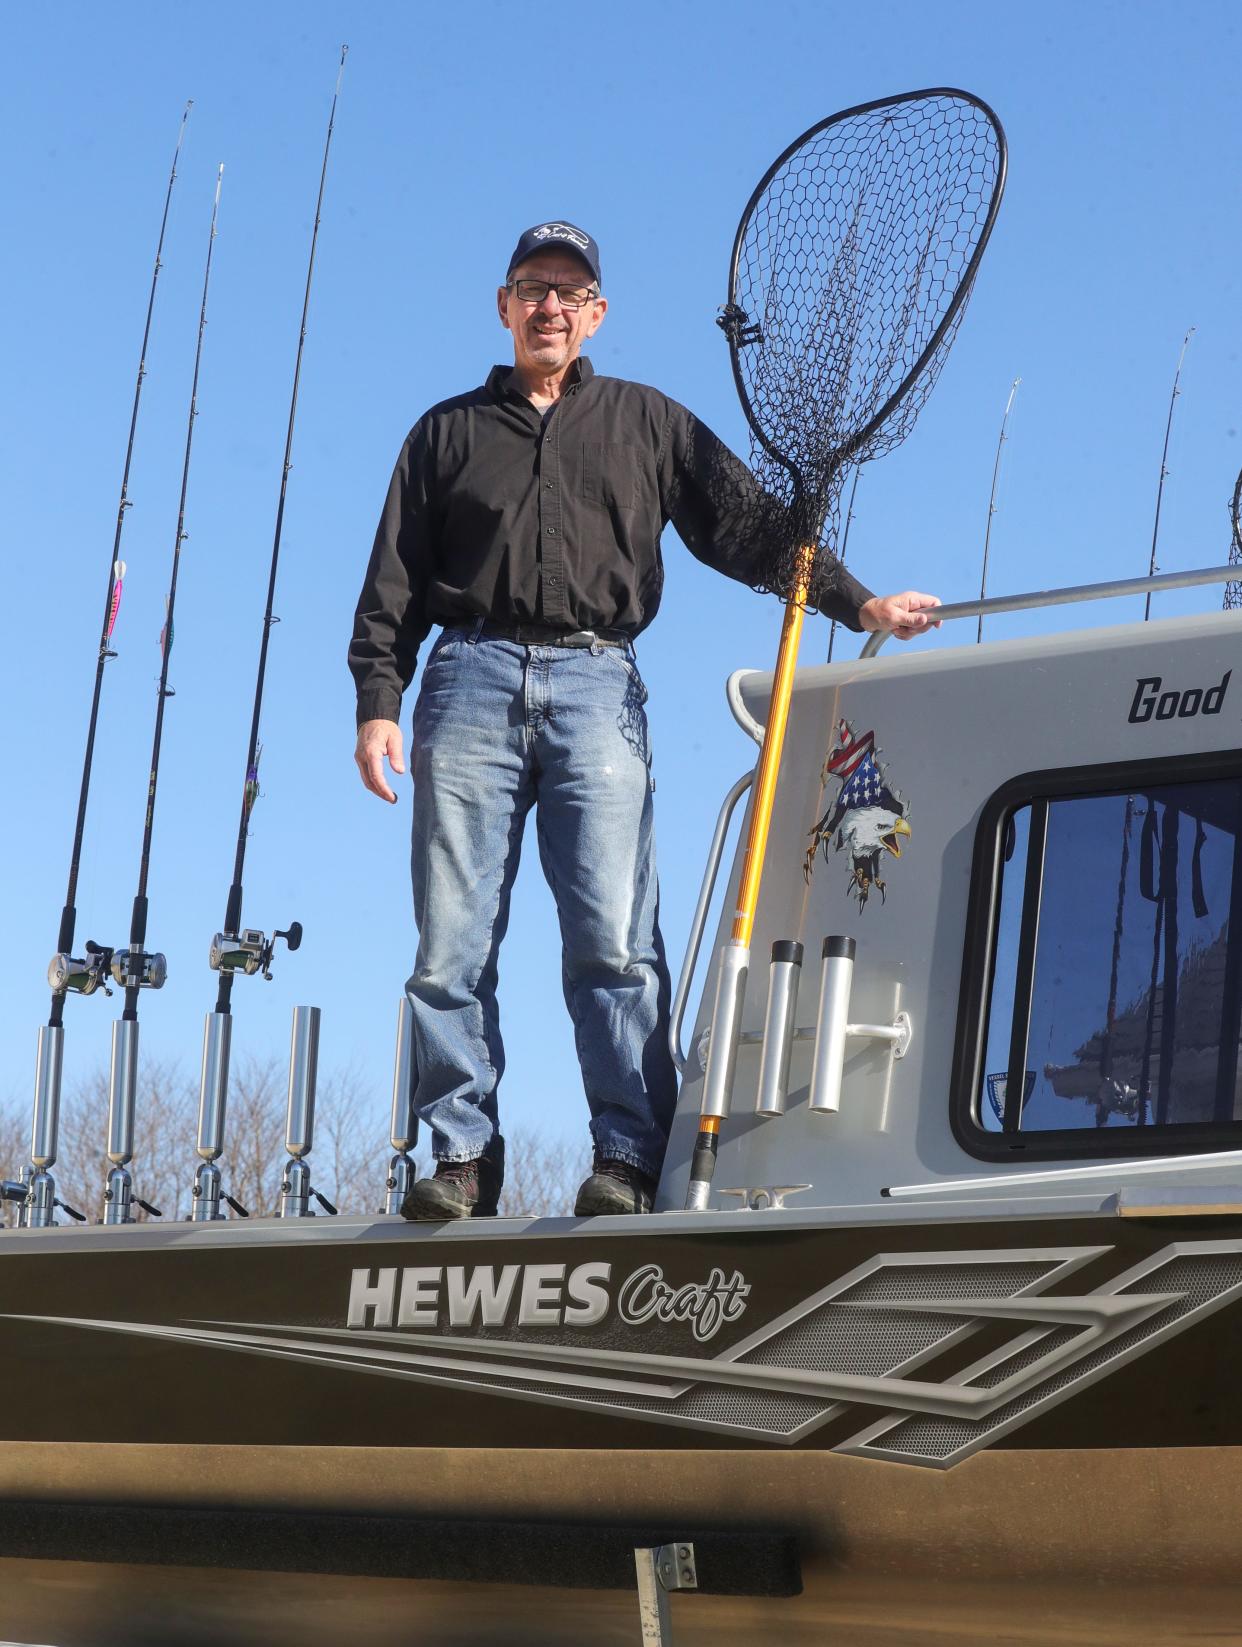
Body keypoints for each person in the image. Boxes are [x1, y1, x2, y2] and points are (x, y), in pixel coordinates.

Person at [349, 220, 939, 1221]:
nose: (550, 307)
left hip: (598, 684)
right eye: (533, 288)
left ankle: (627, 1156)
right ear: (504, 305)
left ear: (596, 315)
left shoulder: (650, 423)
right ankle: (460, 1157)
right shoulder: (442, 433)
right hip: (466, 682)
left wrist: (861, 602)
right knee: (449, 947)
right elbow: (390, 587)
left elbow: (756, 534)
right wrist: (377, 705)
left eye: (569, 293)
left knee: (615, 943)